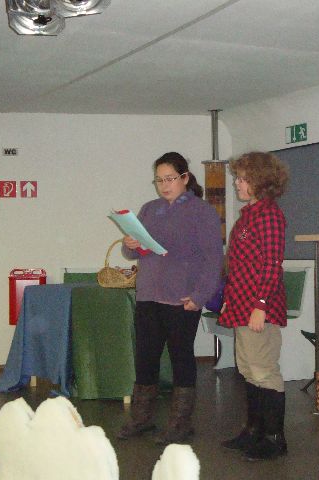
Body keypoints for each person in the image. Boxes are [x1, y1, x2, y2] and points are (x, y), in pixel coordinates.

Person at [117, 151, 223, 445]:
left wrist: (200, 296)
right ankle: (141, 419)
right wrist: (130, 244)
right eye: (159, 180)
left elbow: (214, 259)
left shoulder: (202, 211)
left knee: (181, 359)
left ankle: (180, 424)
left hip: (182, 299)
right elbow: (131, 253)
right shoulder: (149, 209)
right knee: (146, 359)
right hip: (148, 296)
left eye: (170, 179)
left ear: (185, 178)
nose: (164, 185)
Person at [218, 151, 289, 461]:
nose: (237, 183)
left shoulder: (270, 216)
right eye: (238, 177)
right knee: (248, 369)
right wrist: (229, 301)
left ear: (260, 181)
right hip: (242, 304)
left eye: (243, 178)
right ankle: (253, 431)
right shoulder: (249, 215)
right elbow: (239, 264)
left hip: (260, 306)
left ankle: (274, 438)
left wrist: (260, 305)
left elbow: (272, 265)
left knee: (263, 371)